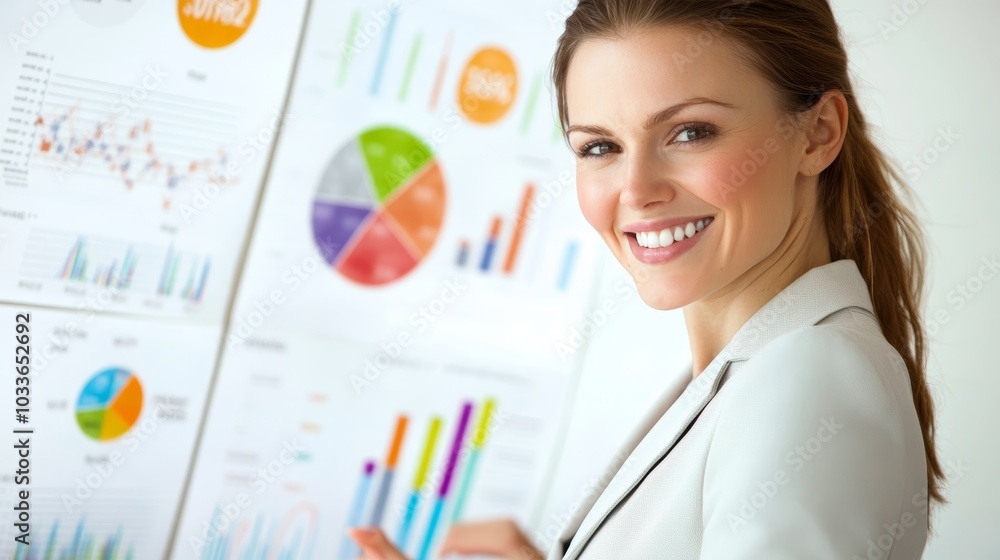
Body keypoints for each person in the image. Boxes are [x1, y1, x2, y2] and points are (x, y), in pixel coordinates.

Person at [349, 0, 944, 557]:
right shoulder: (751, 373)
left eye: (689, 132)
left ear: (818, 134)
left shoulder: (810, 375)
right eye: (600, 146)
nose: (636, 190)